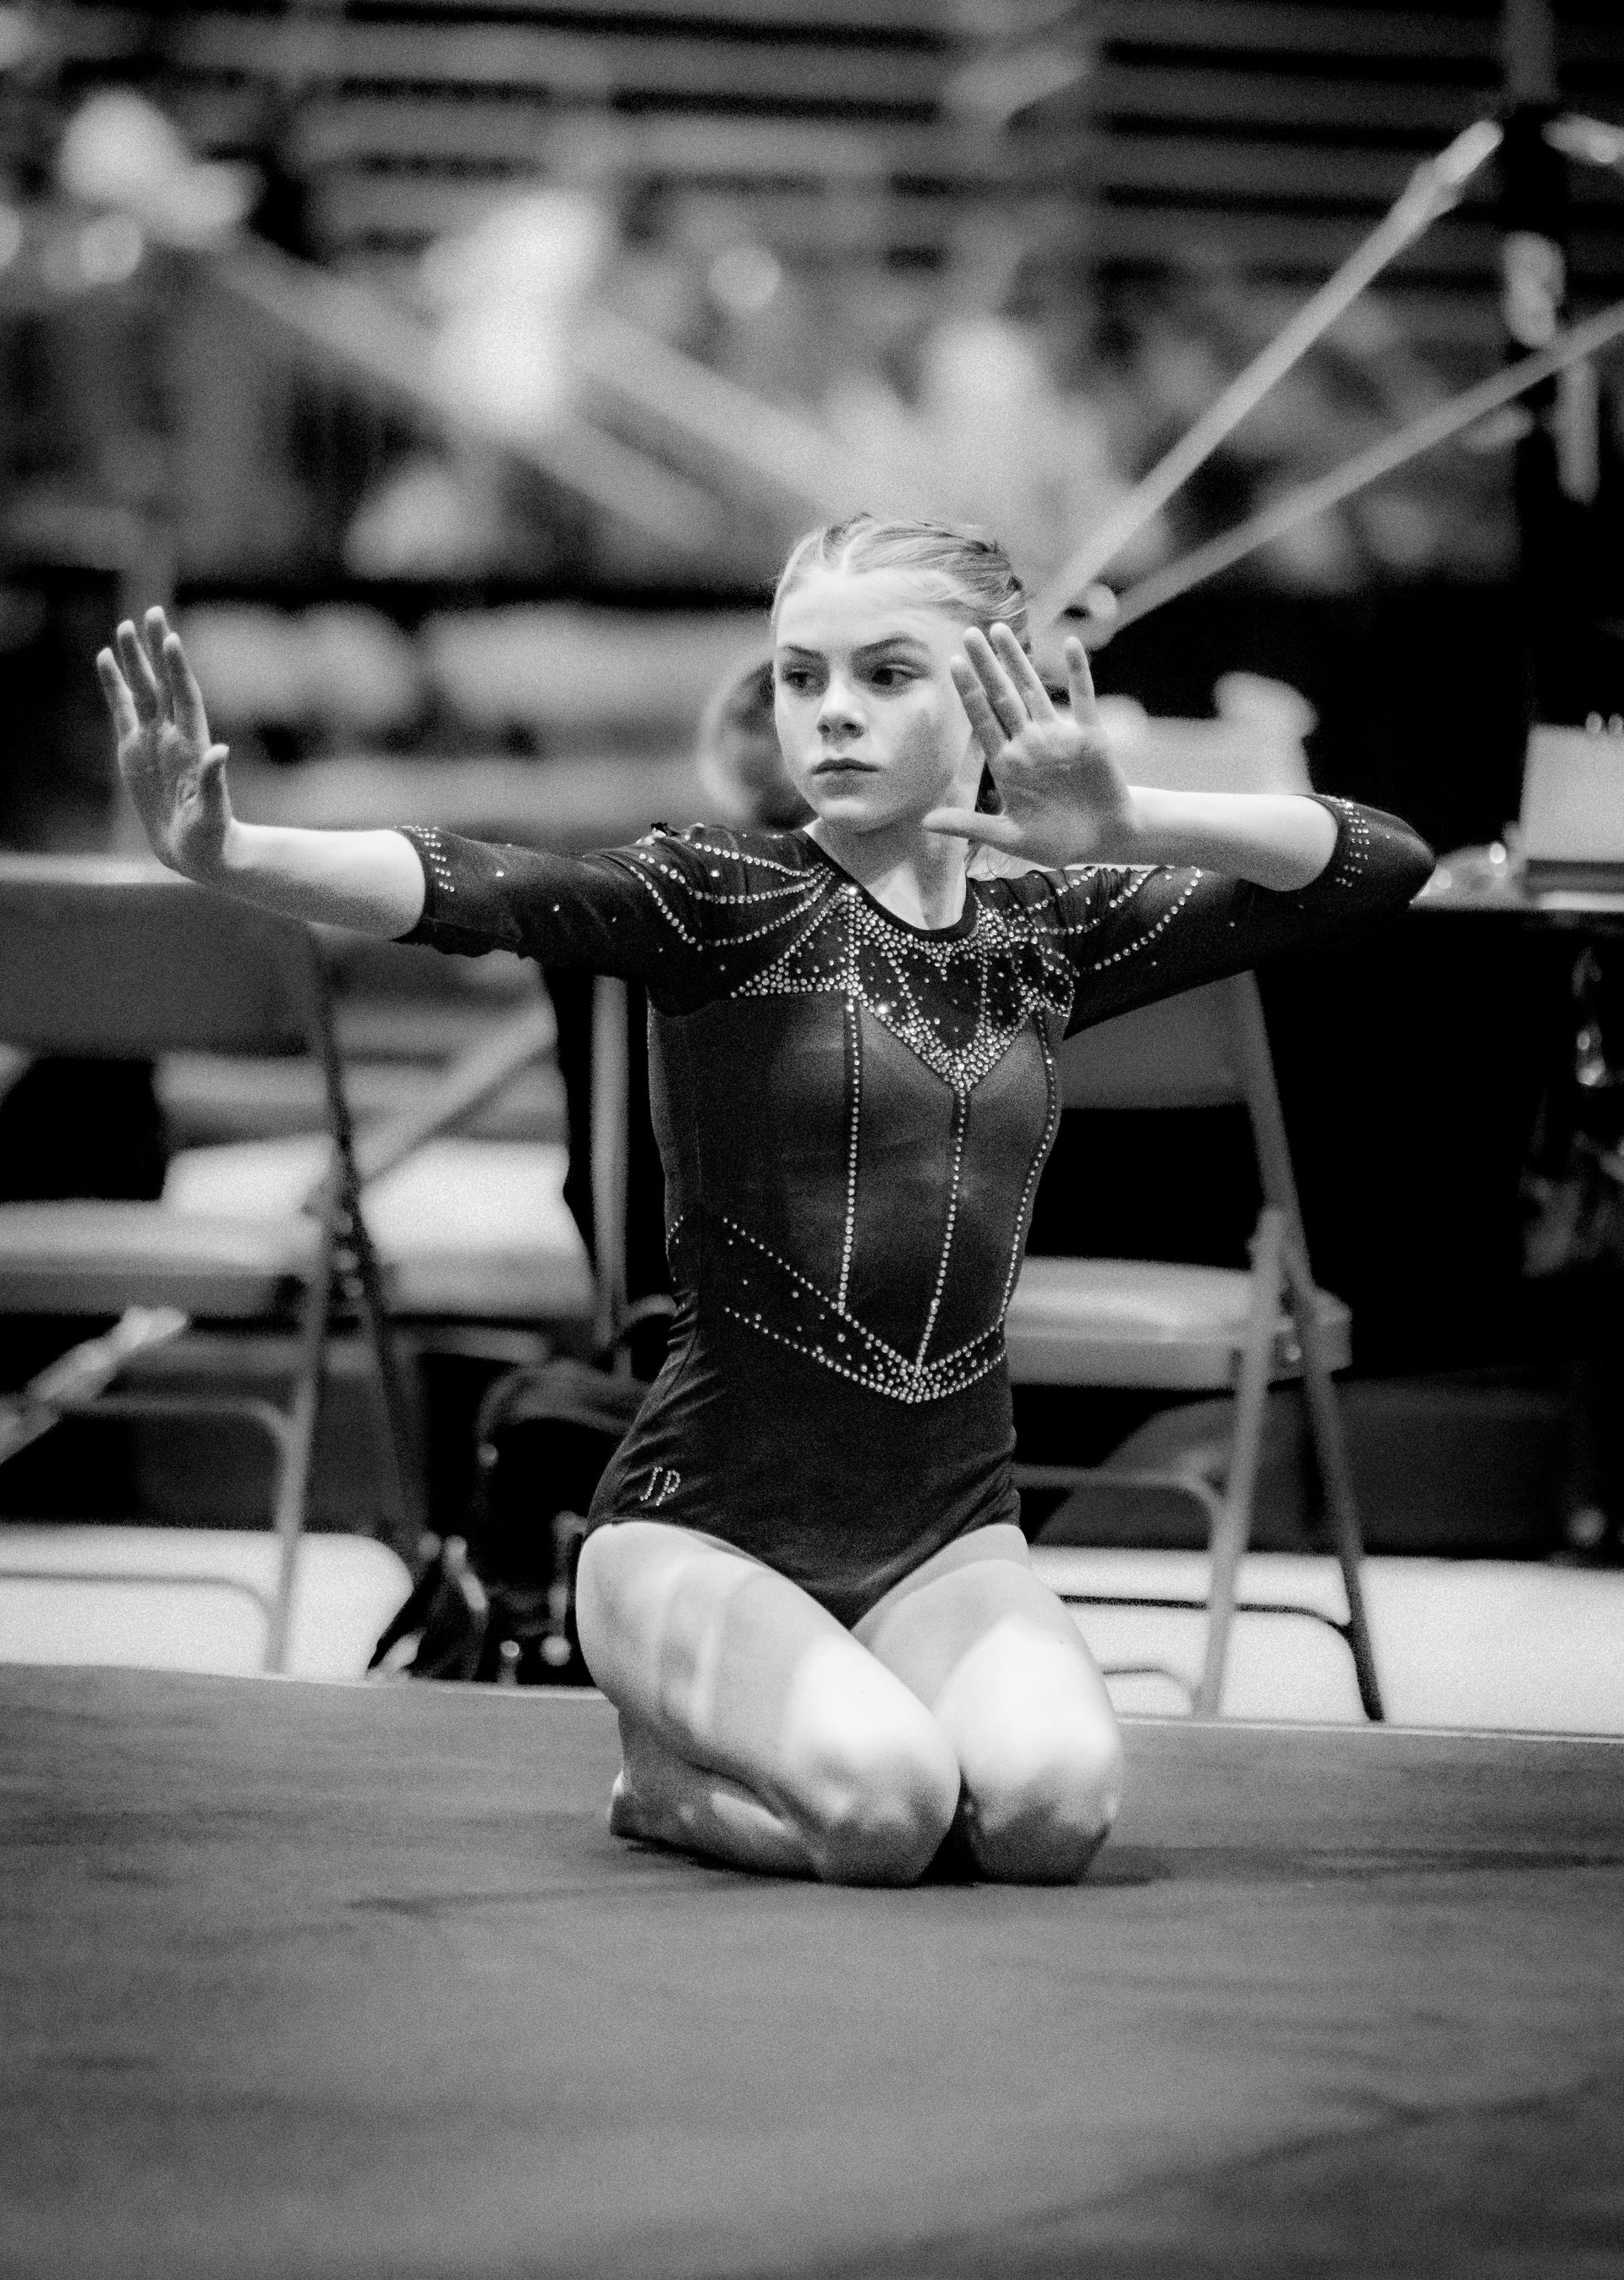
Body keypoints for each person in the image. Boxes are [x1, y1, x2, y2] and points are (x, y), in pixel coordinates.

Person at [97, 516, 1433, 1887]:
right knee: (887, 1815)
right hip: (697, 1533)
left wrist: (1135, 817)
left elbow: (1382, 866)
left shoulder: (1053, 927)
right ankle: (659, 1784)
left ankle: (835, 1717)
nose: (833, 714)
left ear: (995, 687)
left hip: (946, 1539)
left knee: (1053, 1816)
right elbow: (482, 885)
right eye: (802, 677)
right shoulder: (722, 898)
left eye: (887, 675)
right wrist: (235, 852)